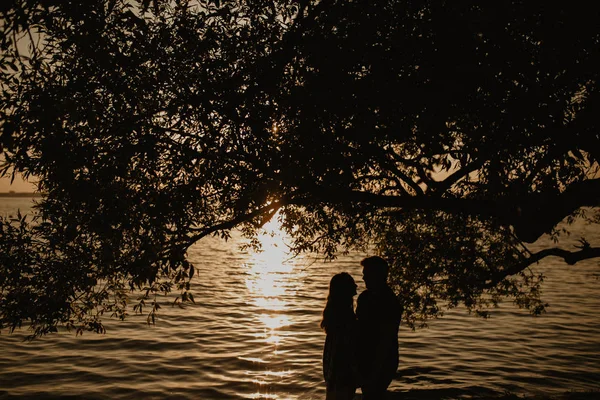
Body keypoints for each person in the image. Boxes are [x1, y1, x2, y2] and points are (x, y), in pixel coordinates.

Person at [356, 256, 403, 400]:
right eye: (364, 275)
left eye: (367, 275)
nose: (364, 279)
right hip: (365, 357)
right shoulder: (364, 298)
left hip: (383, 359)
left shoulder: (390, 302)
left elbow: (386, 338)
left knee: (373, 394)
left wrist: (376, 368)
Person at [321, 272, 359, 400]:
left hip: (334, 368)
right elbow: (344, 347)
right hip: (342, 370)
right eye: (353, 284)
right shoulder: (344, 317)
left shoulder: (337, 313)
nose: (356, 286)